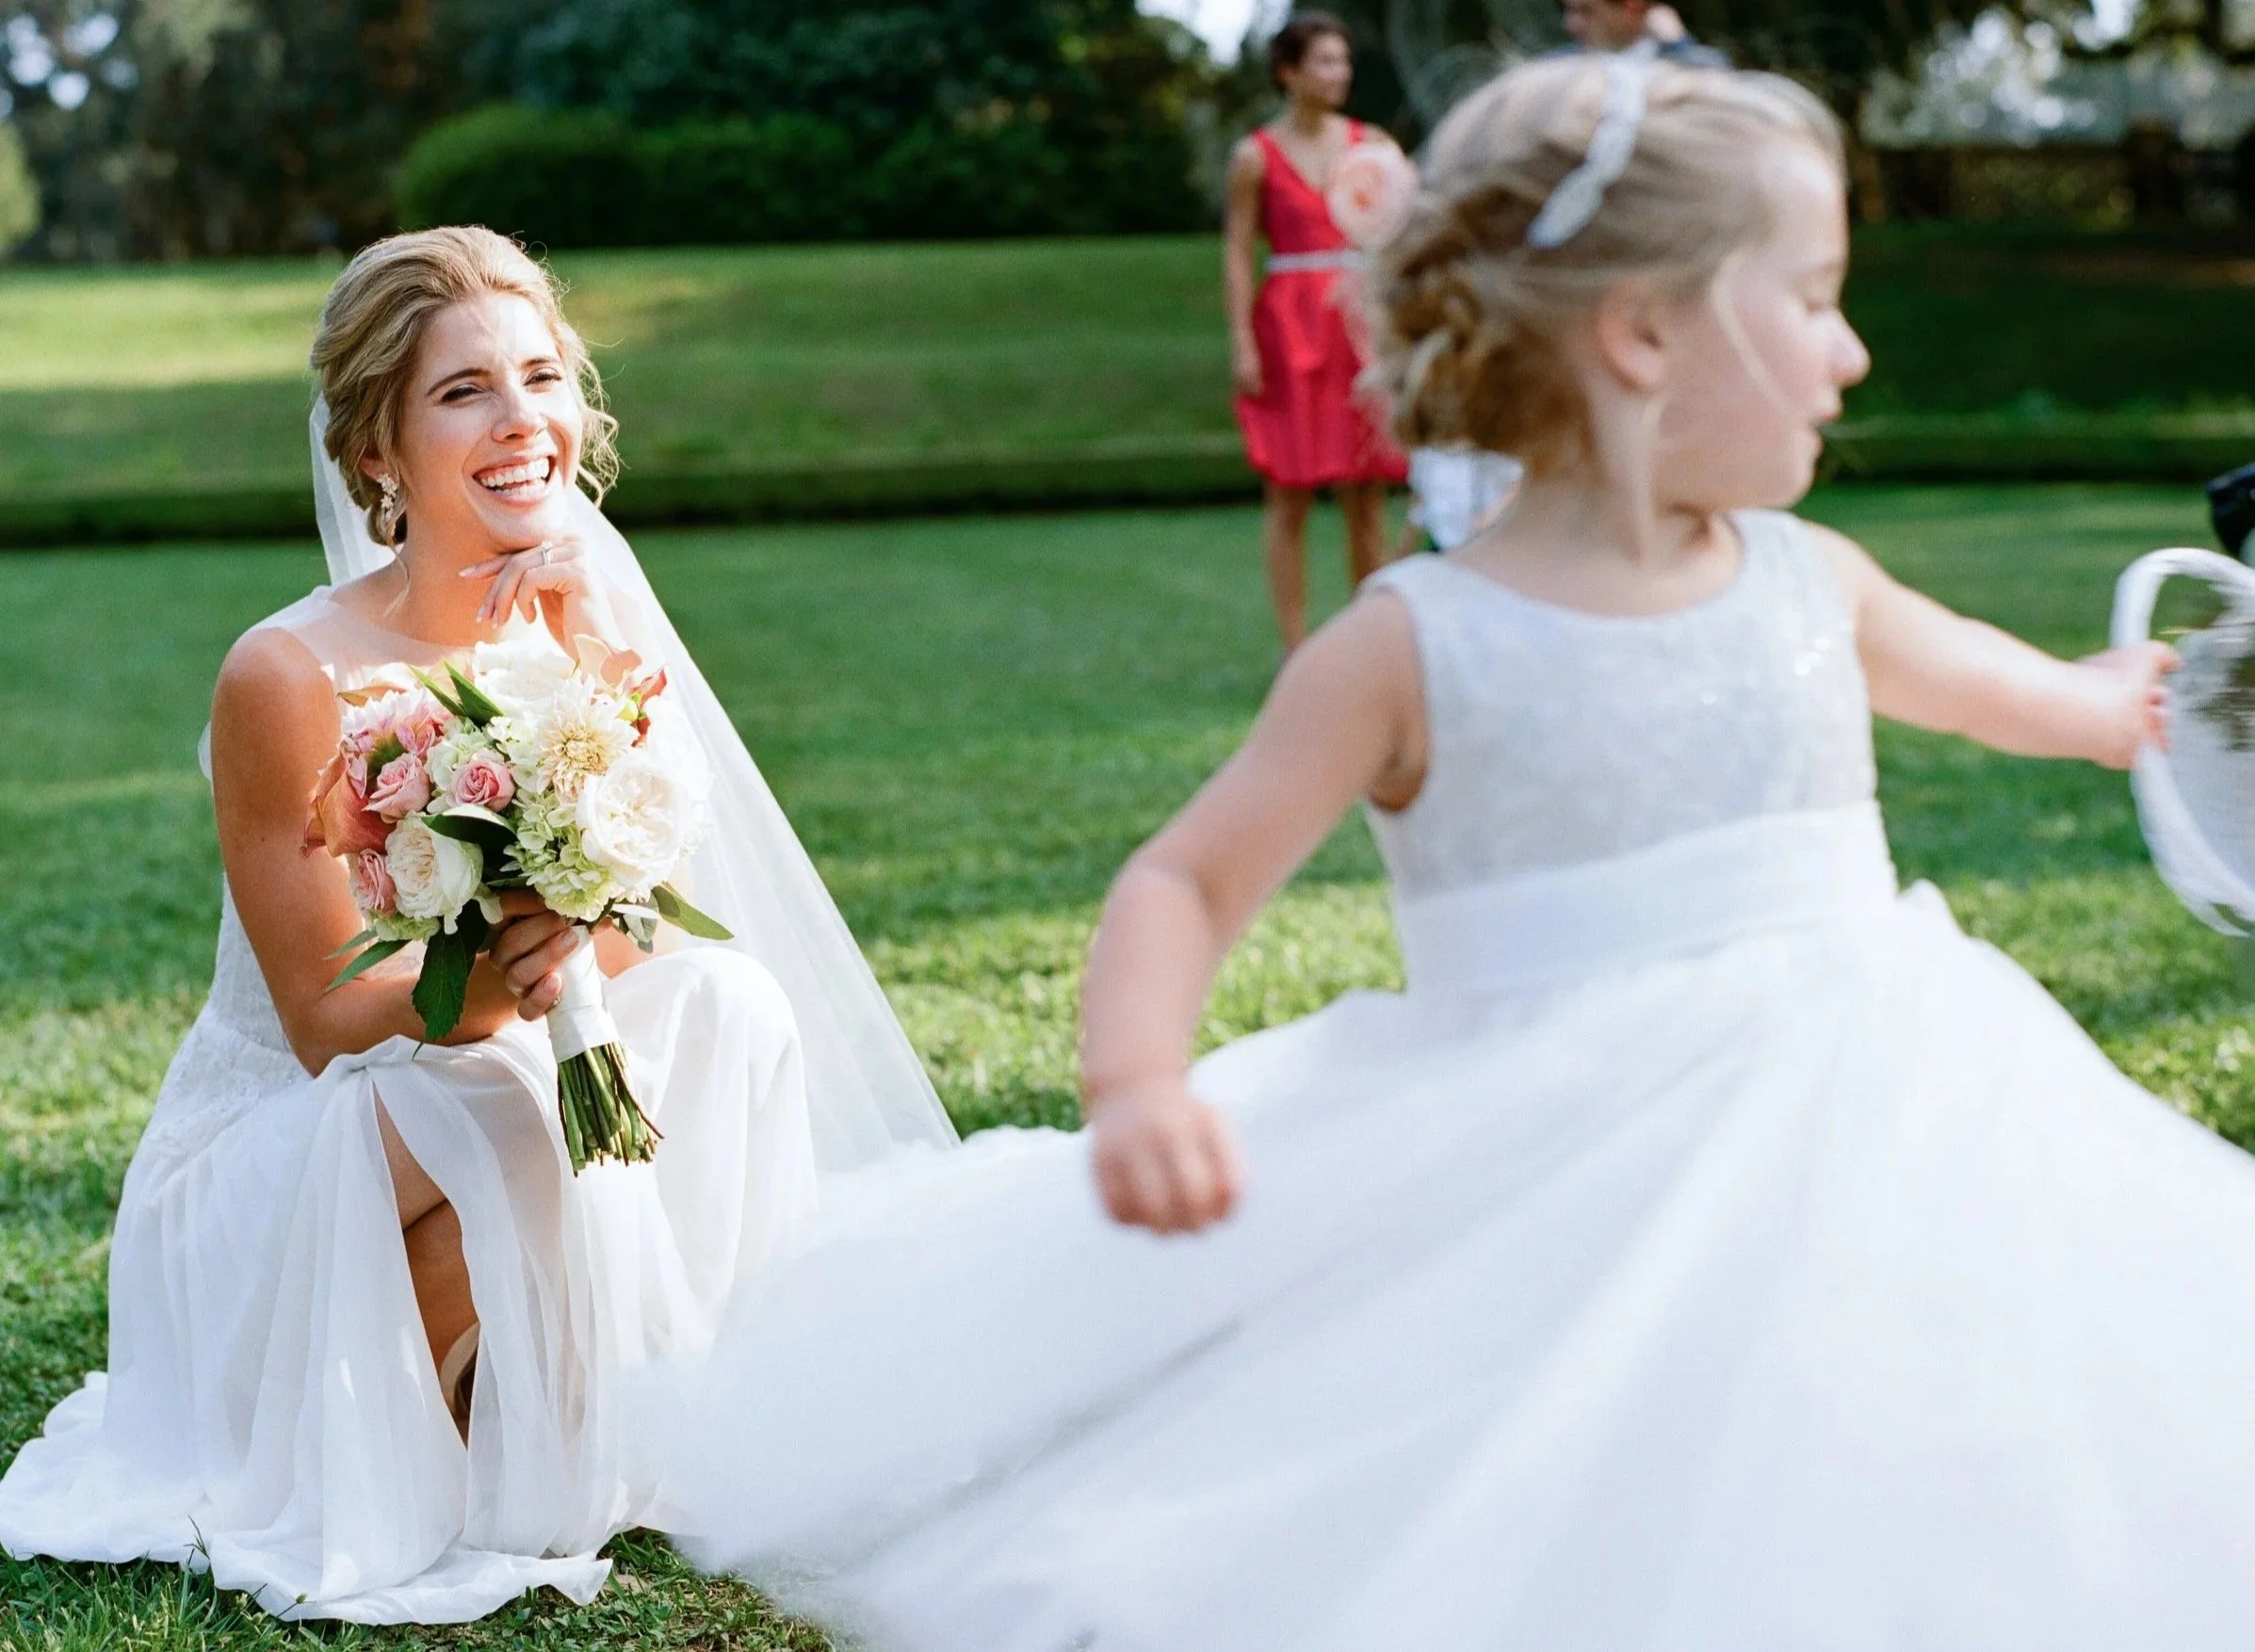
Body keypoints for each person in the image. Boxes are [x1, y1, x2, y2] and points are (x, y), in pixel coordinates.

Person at [657, 55, 2255, 1649]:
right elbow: (1185, 877)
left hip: (1878, 1088)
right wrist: (1138, 1081)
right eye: (1816, 297)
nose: (1847, 352)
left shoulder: (1809, 579)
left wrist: (2120, 698)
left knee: (1904, 1407)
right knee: (1563, 1467)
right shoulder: (1410, 644)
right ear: (1639, 333)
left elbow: (2004, 684)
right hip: (1539, 1152)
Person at [0, 226, 956, 1624]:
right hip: (294, 1148)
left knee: (733, 1006)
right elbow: (327, 1024)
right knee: (505, 1089)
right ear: (378, 448)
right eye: (464, 392)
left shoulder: (586, 634)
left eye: (542, 377)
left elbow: (642, 940)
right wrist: (514, 989)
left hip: (482, 1081)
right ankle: (467, 1429)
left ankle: (625, 1396)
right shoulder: (288, 670)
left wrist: (584, 709)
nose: (525, 423)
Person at [1227, 11, 1410, 652]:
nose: (1339, 74)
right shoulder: (1255, 157)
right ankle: (1295, 647)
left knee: (1365, 492)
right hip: (1290, 325)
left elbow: (1400, 240)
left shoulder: (1373, 149)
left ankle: (1371, 643)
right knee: (1290, 492)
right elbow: (1236, 253)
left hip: (1356, 325)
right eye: (1324, 62)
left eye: (1343, 61)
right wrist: (1244, 344)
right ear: (1289, 73)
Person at [1564, 0, 1728, 64]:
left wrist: (1679, 45)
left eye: (1586, 11)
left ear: (1631, 8)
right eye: (1569, 11)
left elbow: (1719, 86)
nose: (1571, 25)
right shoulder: (1564, 61)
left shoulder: (1675, 56)